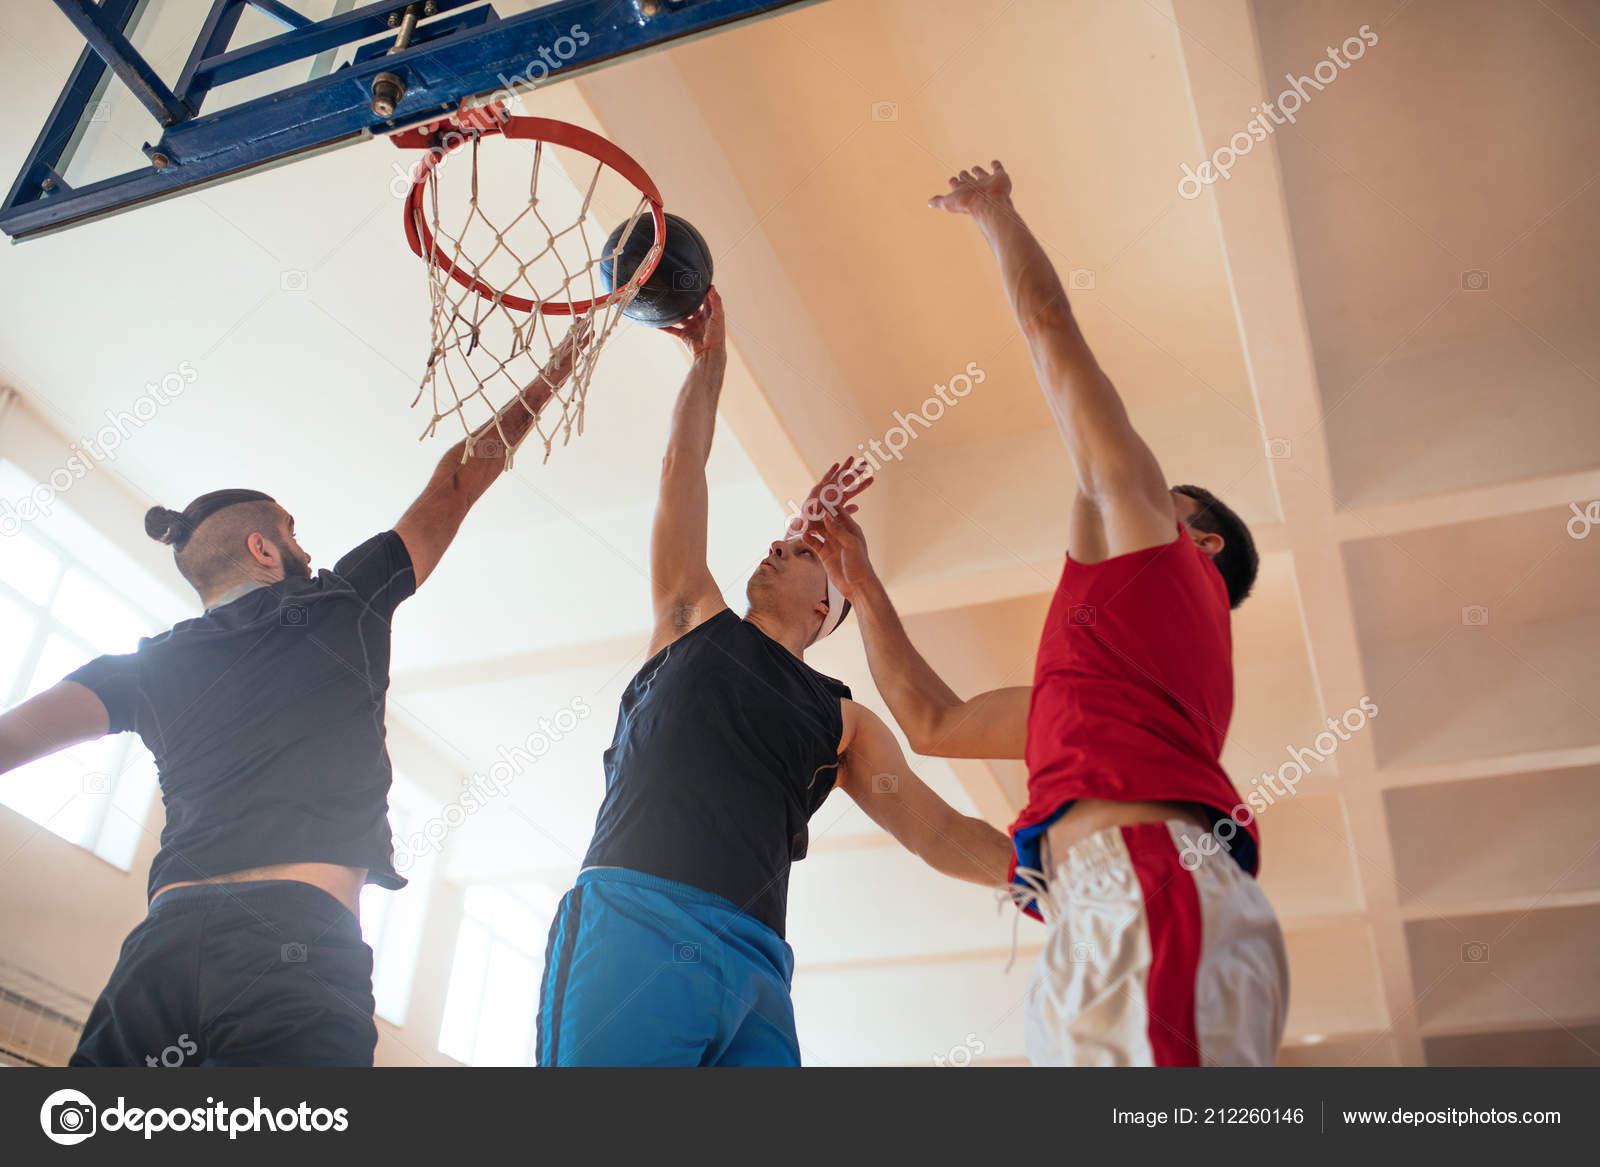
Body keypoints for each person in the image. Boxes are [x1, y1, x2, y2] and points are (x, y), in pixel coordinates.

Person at [800, 162, 1288, 1067]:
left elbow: (1051, 325)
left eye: (1165, 492)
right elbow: (933, 723)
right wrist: (862, 586)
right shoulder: (1107, 696)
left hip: (1147, 885)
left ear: (1203, 540)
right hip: (1098, 904)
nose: (1136, 483)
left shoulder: (1168, 566)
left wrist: (996, 212)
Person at [0, 325, 592, 1066]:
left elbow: (9, 740)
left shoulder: (143, 667)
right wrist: (552, 374)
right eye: (290, 531)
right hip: (295, 943)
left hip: (165, 947)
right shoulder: (343, 601)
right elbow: (458, 482)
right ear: (262, 548)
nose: (304, 548)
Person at [536, 289, 1011, 1066]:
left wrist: (1048, 876)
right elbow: (682, 467)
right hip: (636, 918)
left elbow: (937, 831)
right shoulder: (691, 614)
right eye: (784, 537)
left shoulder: (843, 722)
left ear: (829, 603)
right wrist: (710, 362)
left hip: (755, 964)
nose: (780, 545)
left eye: (804, 549)